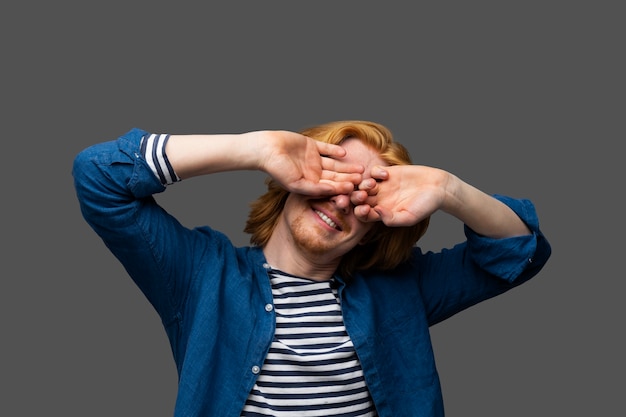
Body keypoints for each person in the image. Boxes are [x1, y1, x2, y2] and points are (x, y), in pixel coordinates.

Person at [72, 120, 551, 417]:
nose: (341, 201)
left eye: (363, 197)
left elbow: (518, 252)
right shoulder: (201, 275)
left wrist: (448, 189)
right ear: (289, 181)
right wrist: (251, 149)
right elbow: (98, 177)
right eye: (330, 177)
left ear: (374, 230)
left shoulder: (403, 290)